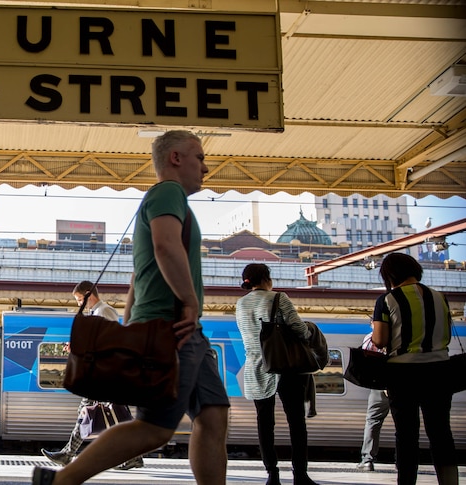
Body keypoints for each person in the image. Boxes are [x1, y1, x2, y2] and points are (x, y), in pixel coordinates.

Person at [33, 130, 229, 485]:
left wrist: (129, 323)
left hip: (183, 330)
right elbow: (165, 248)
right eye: (199, 158)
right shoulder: (168, 193)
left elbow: (138, 275)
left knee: (213, 417)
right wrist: (188, 301)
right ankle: (60, 481)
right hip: (171, 327)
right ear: (175, 158)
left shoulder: (167, 200)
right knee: (154, 428)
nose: (205, 167)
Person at [371, 253, 457, 485]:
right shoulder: (440, 297)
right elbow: (446, 336)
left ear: (389, 275)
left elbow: (379, 340)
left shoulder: (387, 300)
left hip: (403, 374)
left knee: (407, 436)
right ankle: (449, 482)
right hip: (439, 371)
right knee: (441, 433)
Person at [40, 281, 144, 471]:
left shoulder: (104, 311)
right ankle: (132, 456)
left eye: (80, 299)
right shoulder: (96, 313)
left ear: (89, 294)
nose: (80, 303)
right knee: (105, 415)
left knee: (98, 413)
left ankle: (68, 454)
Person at [235, 263, 318, 485]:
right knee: (296, 422)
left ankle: (272, 474)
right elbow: (299, 329)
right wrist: (311, 330)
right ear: (266, 279)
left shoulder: (241, 304)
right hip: (285, 367)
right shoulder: (278, 298)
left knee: (264, 423)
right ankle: (300, 474)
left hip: (256, 369)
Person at [357, 331, 390, 472]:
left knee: (373, 421)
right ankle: (404, 461)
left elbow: (364, 355)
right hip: (403, 382)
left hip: (381, 385)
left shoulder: (372, 337)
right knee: (406, 423)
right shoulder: (403, 333)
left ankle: (367, 460)